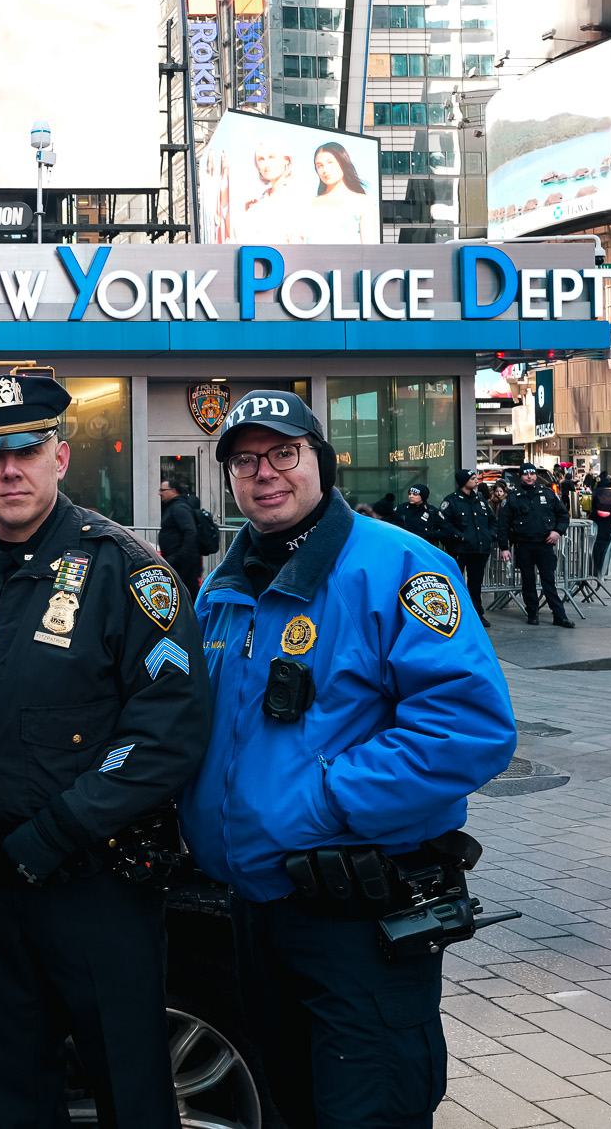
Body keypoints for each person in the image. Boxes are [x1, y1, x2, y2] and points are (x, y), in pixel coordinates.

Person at [181, 390, 516, 1129]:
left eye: (282, 453)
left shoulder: (397, 566)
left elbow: (468, 728)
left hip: (355, 917)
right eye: (243, 460)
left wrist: (321, 803)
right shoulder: (223, 587)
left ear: (320, 463)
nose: (263, 473)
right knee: (290, 1107)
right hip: (255, 909)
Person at [0, 375, 210, 1129]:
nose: (10, 469)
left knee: (132, 1095)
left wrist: (60, 827)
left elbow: (170, 728)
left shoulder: (126, 571)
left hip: (95, 883)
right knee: (9, 1095)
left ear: (60, 456)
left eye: (27, 449)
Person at [499, 463, 573, 627]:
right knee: (528, 581)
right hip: (524, 545)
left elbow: (563, 515)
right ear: (521, 476)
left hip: (545, 543)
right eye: (526, 474)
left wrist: (558, 532)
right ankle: (532, 612)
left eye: (532, 474)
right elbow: (503, 524)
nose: (530, 477)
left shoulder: (548, 494)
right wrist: (504, 547)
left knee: (549, 580)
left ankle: (559, 615)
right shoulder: (513, 497)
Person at [439, 468, 497, 627]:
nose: (476, 480)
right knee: (455, 583)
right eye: (472, 478)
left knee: (475, 584)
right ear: (464, 482)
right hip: (460, 550)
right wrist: (461, 537)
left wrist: (489, 536)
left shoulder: (481, 500)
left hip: (479, 550)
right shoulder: (452, 501)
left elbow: (493, 521)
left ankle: (477, 614)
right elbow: (445, 524)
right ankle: (455, 615)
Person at [309, 141, 370, 243]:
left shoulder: (363, 202)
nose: (325, 170)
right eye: (319, 166)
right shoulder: (309, 204)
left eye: (330, 162)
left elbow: (370, 250)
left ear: (342, 162)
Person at [157, 473, 205, 597]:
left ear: (173, 491)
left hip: (184, 561)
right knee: (184, 591)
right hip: (181, 560)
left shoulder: (179, 508)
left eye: (163, 490)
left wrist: (179, 555)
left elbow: (190, 531)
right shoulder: (174, 506)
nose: (160, 493)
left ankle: (195, 615)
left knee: (187, 592)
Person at [590, 472, 611, 576]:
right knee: (608, 546)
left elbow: (592, 507)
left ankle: (595, 568)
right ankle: (604, 569)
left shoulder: (596, 492)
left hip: (597, 523)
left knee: (596, 545)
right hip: (609, 524)